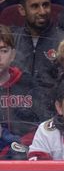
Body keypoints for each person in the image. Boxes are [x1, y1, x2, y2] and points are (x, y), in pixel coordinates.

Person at [0, 24, 48, 159]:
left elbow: (41, 125)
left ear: (13, 55)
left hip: (23, 156)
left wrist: (11, 140)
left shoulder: (28, 85)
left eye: (3, 51)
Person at [11, 0, 64, 91]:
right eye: (35, 6)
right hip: (17, 99)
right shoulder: (11, 41)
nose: (42, 12)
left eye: (45, 5)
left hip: (52, 99)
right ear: (22, 10)